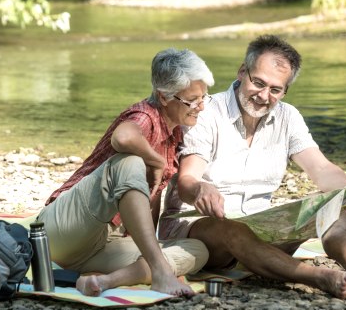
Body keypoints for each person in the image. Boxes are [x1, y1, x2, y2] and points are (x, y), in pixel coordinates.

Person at [159, 34, 346, 298]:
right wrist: (202, 189)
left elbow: (322, 170)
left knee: (331, 202)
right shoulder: (207, 112)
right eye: (257, 83)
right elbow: (187, 180)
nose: (263, 96)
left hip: (262, 232)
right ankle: (321, 278)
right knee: (233, 228)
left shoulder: (288, 116)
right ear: (242, 72)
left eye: (275, 89)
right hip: (198, 232)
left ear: (285, 91)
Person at [36, 48, 215, 297]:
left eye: (204, 97)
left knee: (197, 249)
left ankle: (106, 281)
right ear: (164, 97)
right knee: (129, 162)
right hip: (62, 231)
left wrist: (148, 247)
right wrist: (155, 161)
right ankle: (160, 272)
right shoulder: (145, 116)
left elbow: (150, 200)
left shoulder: (173, 133)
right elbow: (123, 136)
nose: (201, 107)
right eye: (192, 100)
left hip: (101, 247)